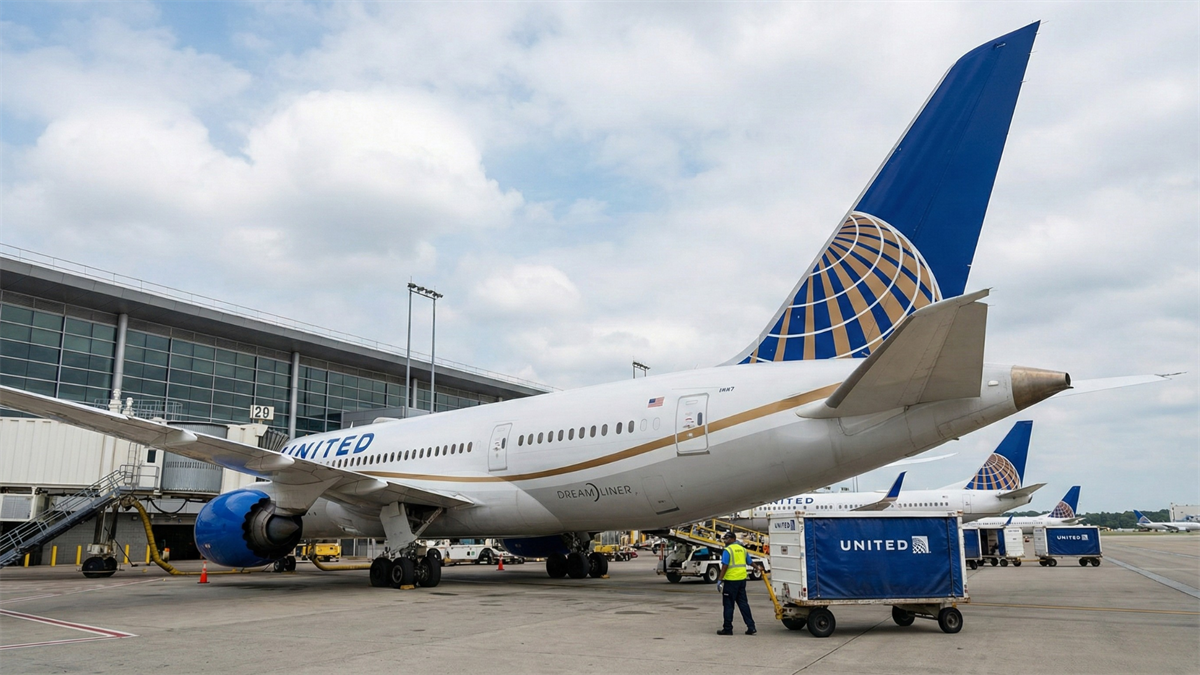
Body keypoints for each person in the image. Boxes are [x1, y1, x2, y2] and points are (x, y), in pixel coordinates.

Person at [716, 531, 757, 635]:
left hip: (731, 581)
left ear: (733, 539)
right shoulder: (743, 549)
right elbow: (750, 562)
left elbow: (725, 566)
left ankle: (728, 629)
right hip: (741, 581)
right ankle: (751, 627)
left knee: (728, 605)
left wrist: (720, 579)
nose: (726, 541)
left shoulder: (728, 550)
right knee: (743, 604)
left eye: (727, 539)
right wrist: (758, 567)